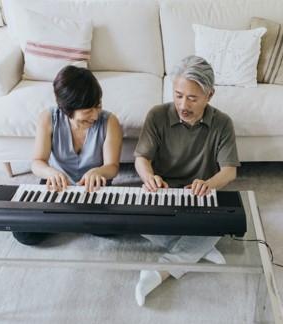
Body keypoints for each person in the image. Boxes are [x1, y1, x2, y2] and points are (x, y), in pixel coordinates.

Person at [134, 55, 240, 306]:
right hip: (163, 194)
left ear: (209, 95)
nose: (183, 104)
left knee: (224, 219)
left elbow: (229, 171)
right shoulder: (157, 115)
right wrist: (149, 177)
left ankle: (158, 272)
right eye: (178, 94)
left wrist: (209, 184)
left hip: (198, 196)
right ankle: (200, 249)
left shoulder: (222, 123)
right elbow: (141, 158)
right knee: (134, 219)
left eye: (192, 98)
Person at [13, 65, 122, 246]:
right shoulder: (48, 118)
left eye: (98, 106)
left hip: (93, 187)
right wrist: (50, 173)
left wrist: (99, 172)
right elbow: (37, 162)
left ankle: (64, 218)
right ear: (66, 109)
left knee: (115, 227)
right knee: (24, 234)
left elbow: (112, 167)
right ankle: (73, 218)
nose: (95, 115)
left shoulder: (110, 121)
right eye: (88, 111)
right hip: (58, 185)